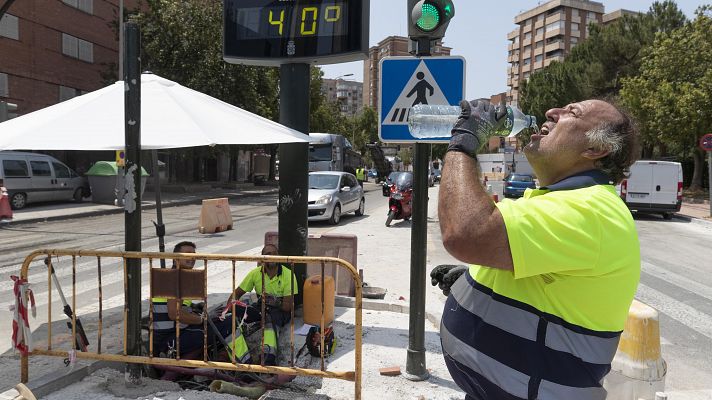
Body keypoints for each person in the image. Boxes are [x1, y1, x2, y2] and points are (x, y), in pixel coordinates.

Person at [431, 99, 641, 400]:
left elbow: (465, 233)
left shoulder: (592, 211)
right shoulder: (557, 199)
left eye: (572, 112)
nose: (551, 112)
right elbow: (540, 276)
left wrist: (464, 141)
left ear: (594, 150)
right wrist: (474, 279)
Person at [151, 241, 251, 364]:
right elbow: (174, 313)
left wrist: (194, 307)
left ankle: (234, 361)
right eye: (187, 254)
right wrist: (202, 319)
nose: (192, 258)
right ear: (175, 258)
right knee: (228, 324)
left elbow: (175, 307)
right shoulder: (174, 279)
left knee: (220, 321)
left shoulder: (173, 276)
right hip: (169, 340)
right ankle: (245, 366)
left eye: (193, 254)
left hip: (171, 335)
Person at [226, 244, 298, 365]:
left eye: (274, 253)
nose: (271, 257)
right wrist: (229, 307)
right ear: (262, 258)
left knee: (270, 319)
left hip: (280, 311)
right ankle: (240, 360)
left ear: (279, 256)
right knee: (232, 315)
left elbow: (288, 307)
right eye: (267, 254)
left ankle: (267, 358)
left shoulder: (288, 274)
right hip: (261, 307)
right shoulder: (255, 273)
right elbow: (237, 293)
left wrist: (276, 302)